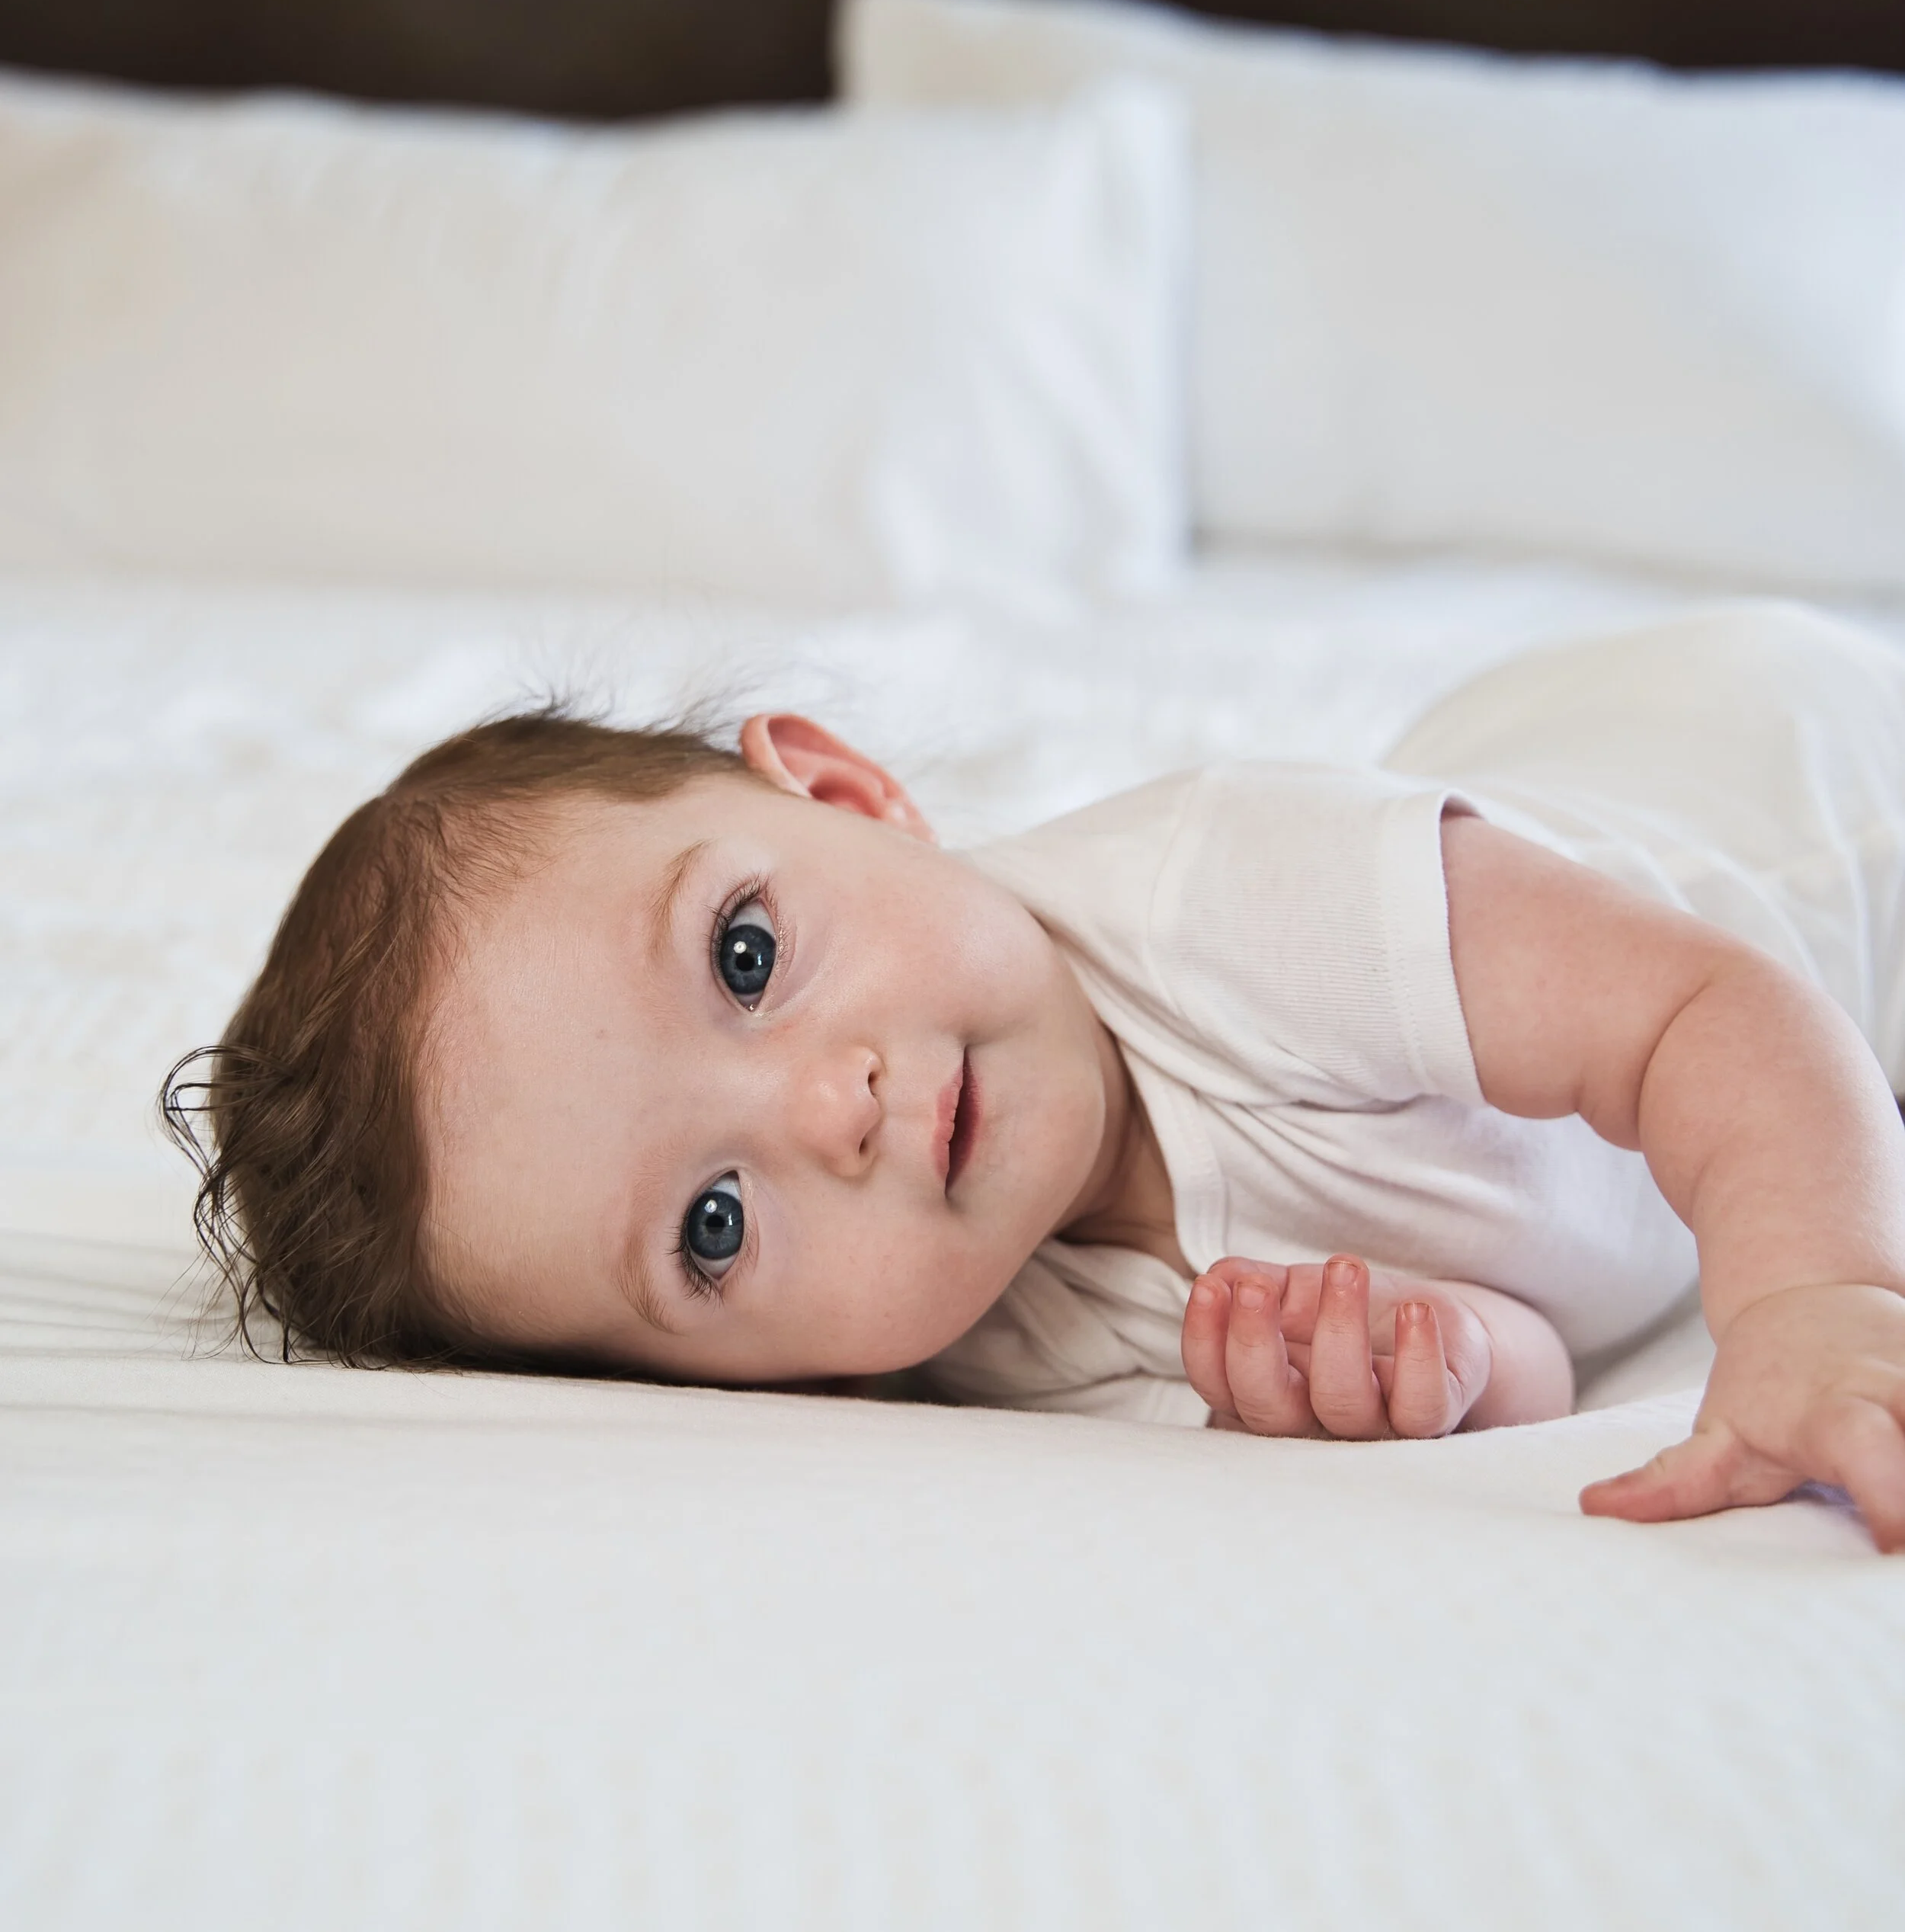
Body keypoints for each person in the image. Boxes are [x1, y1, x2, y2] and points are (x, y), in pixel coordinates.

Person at [168, 602, 1905, 1552]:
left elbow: (1706, 1014)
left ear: (847, 798)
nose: (820, 1110)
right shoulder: (992, 1348)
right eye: (711, 1223)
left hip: (1792, 800)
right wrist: (1438, 1373)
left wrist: (1812, 1293)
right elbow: (1556, 1300)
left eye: (748, 957)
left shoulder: (1248, 899)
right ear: (777, 1386)